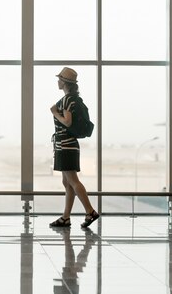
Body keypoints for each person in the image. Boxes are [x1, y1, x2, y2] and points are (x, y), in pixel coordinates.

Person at [49, 67, 99, 228]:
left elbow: (68, 122)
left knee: (73, 181)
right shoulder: (73, 99)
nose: (58, 81)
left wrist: (55, 113)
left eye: (59, 79)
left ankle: (90, 211)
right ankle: (65, 217)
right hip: (68, 144)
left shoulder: (67, 100)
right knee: (67, 182)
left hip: (65, 145)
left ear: (64, 82)